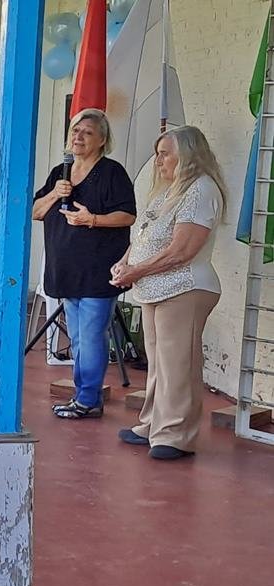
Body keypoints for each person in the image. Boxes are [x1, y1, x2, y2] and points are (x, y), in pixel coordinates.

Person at [111, 126, 226, 460]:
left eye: (165, 153)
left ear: (187, 155)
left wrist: (135, 271)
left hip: (185, 287)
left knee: (178, 364)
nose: (158, 160)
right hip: (155, 288)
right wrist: (124, 264)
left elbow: (182, 250)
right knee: (159, 363)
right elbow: (145, 237)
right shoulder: (170, 190)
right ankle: (152, 424)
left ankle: (176, 435)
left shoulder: (200, 190)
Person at [32, 108, 137, 419]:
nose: (78, 137)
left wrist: (91, 219)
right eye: (75, 131)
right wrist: (55, 193)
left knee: (91, 335)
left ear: (102, 140)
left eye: (87, 132)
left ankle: (88, 399)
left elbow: (128, 215)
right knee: (78, 337)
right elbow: (35, 211)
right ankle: (84, 396)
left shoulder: (112, 172)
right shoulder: (59, 173)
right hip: (66, 268)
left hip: (97, 270)